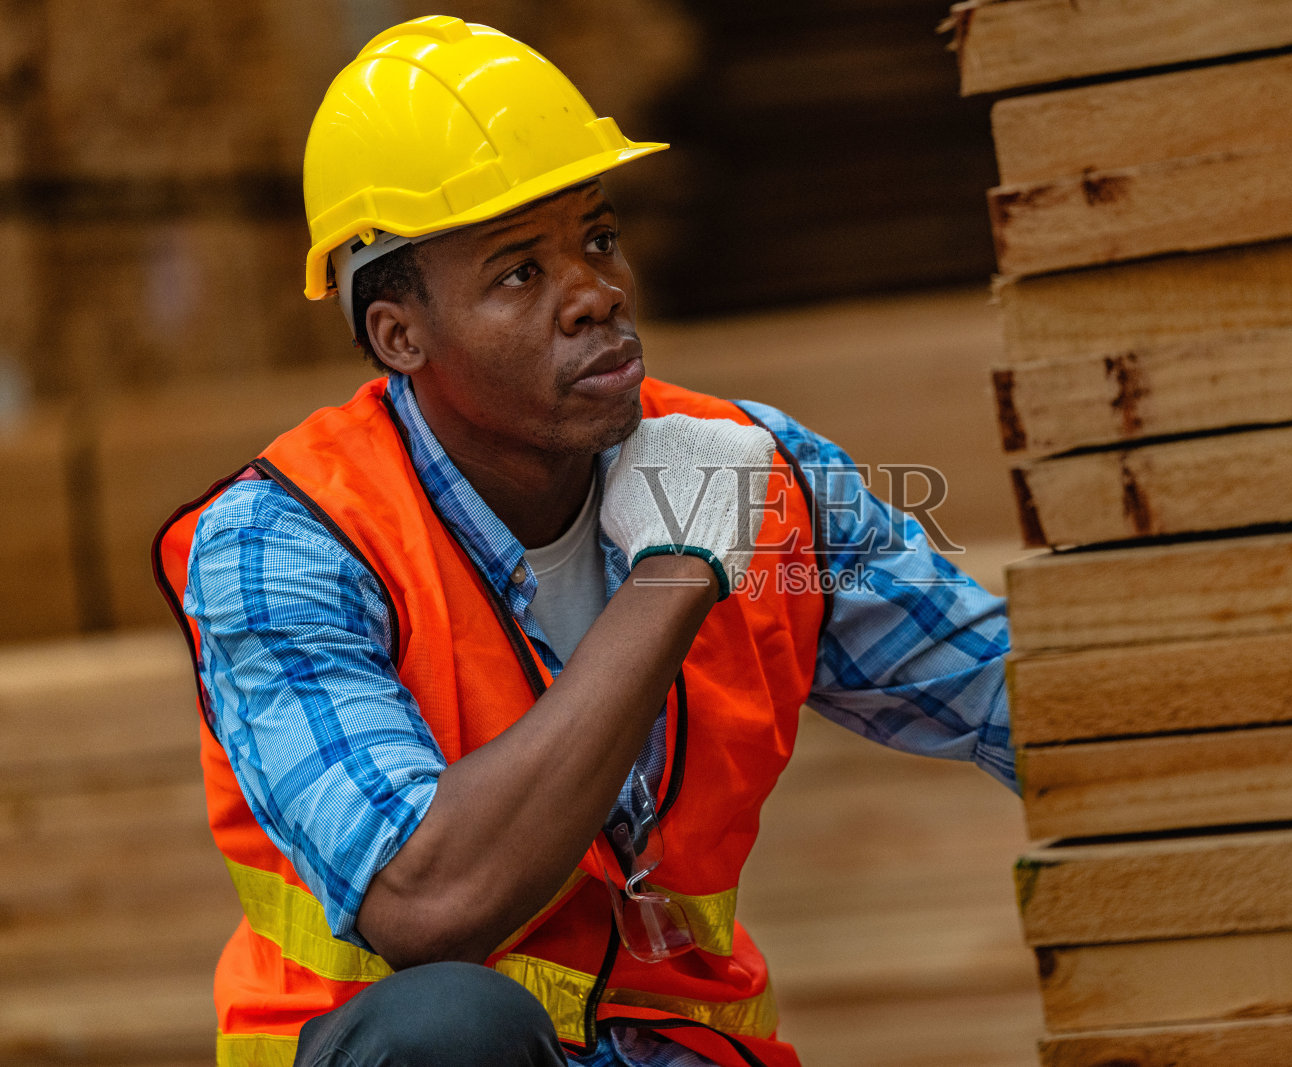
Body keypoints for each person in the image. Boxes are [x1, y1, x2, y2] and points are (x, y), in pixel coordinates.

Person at [153, 15, 1014, 1067]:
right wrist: (673, 575)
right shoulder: (289, 541)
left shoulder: (753, 466)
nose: (595, 294)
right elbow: (428, 902)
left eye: (598, 239)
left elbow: (1019, 696)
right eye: (520, 272)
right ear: (399, 335)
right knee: (451, 1027)